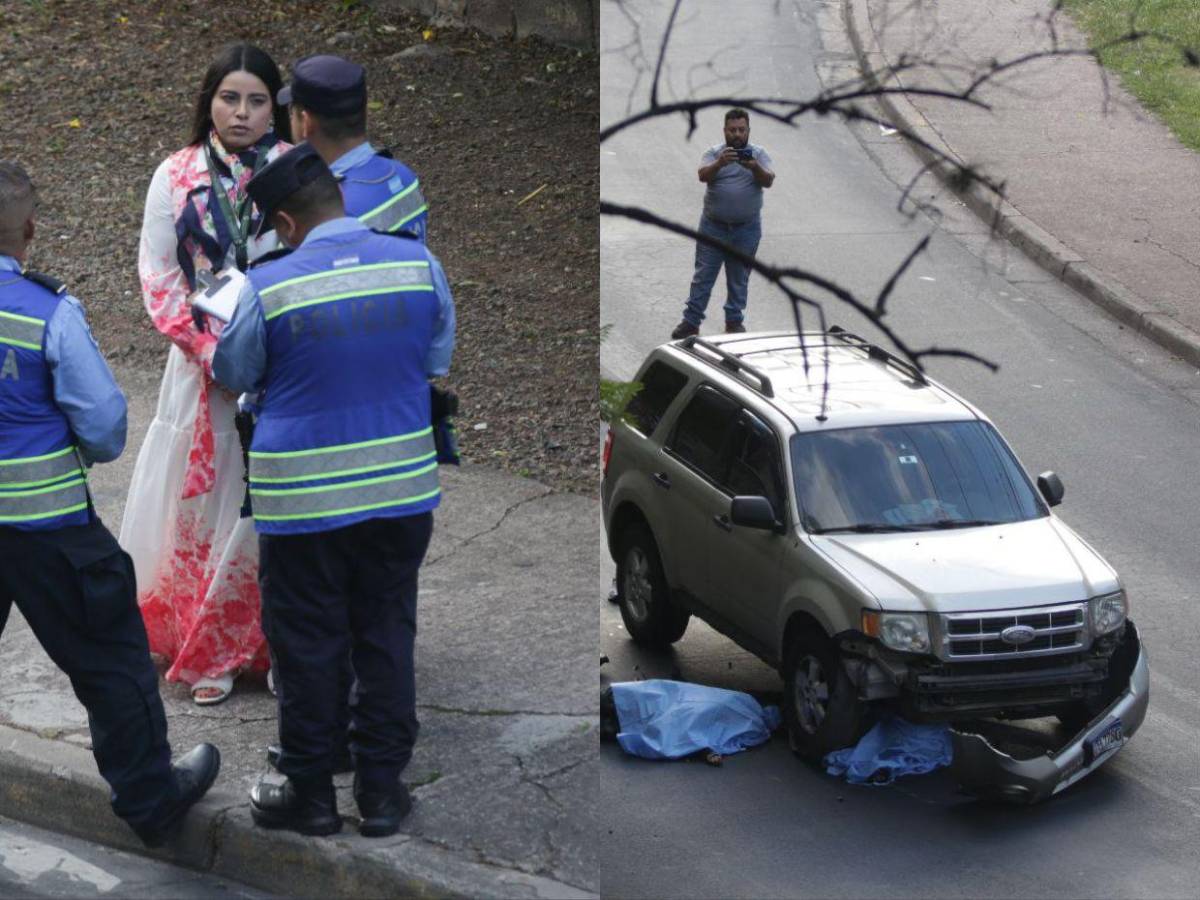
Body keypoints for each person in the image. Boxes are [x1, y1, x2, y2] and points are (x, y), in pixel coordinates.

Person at [213, 144, 455, 837]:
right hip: (399, 489)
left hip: (303, 502)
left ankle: (311, 796)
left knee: (309, 646)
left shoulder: (268, 285)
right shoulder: (419, 264)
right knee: (385, 634)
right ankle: (381, 794)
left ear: (285, 224)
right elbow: (436, 357)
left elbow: (236, 370)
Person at [0, 161, 219, 847]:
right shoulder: (45, 313)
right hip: (47, 528)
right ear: (29, 231)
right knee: (111, 660)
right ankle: (152, 801)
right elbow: (103, 425)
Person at [119, 43, 293, 706]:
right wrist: (208, 349)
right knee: (207, 494)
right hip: (198, 367)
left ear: (274, 108)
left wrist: (261, 348)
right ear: (209, 102)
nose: (241, 112)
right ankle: (208, 643)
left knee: (265, 499)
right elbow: (157, 273)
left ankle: (275, 643)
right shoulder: (176, 173)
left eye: (254, 100)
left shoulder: (294, 169)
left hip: (279, 361)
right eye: (229, 98)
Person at [280, 54, 429, 241]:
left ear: (306, 123)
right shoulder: (404, 176)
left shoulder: (325, 212)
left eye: (292, 113)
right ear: (362, 111)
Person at [671, 107, 775, 339]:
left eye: (741, 130)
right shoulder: (714, 153)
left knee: (739, 278)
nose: (737, 135)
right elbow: (702, 175)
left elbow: (768, 180)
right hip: (713, 228)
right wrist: (719, 163)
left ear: (748, 131)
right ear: (724, 131)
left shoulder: (758, 154)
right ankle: (691, 321)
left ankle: (734, 322)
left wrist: (755, 167)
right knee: (703, 276)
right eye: (732, 130)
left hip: (746, 230)